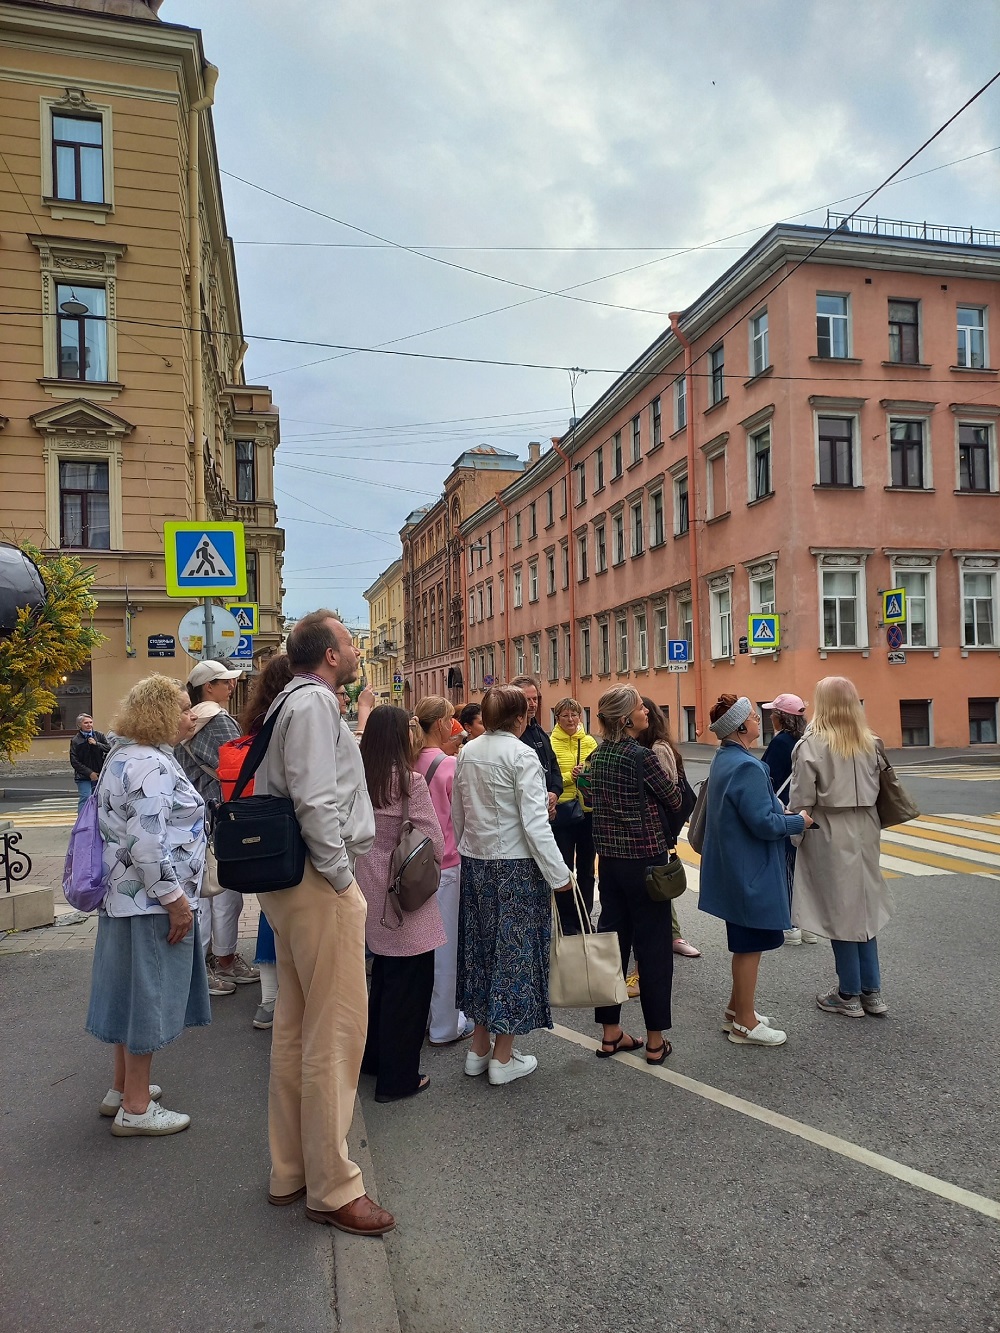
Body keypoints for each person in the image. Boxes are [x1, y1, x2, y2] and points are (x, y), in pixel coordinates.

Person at [254, 610, 393, 1236]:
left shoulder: (289, 700)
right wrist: (342, 879)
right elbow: (315, 798)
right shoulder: (313, 705)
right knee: (335, 1035)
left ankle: (292, 1170)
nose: (358, 647)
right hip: (317, 884)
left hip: (291, 884)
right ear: (331, 655)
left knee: (296, 1027)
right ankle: (333, 1187)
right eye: (349, 640)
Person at [85, 675, 210, 1136]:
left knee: (128, 994)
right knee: (150, 999)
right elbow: (147, 845)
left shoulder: (121, 755)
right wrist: (177, 903)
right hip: (152, 903)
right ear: (158, 714)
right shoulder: (152, 766)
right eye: (180, 708)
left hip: (123, 900)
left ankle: (121, 1090)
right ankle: (136, 1109)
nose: (190, 714)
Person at [452, 684, 571, 1086]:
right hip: (517, 868)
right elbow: (536, 825)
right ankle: (503, 1057)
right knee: (514, 959)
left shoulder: (466, 752)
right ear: (520, 718)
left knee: (483, 954)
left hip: (477, 864)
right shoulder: (523, 755)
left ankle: (479, 1048)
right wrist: (560, 876)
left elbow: (458, 815)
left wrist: (469, 849)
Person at [698, 695, 812, 1047]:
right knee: (749, 946)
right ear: (739, 726)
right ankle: (744, 1024)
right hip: (749, 869)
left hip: (735, 866)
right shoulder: (747, 766)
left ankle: (737, 1009)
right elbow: (763, 822)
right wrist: (798, 821)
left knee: (748, 942)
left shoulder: (726, 758)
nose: (757, 721)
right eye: (751, 716)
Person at [587, 687, 683, 1064]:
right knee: (654, 948)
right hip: (646, 862)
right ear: (626, 718)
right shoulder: (641, 756)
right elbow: (674, 799)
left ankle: (611, 1033)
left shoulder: (598, 755)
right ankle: (656, 1041)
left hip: (609, 863)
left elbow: (591, 798)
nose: (646, 711)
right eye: (641, 707)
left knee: (610, 944)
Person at [789, 677, 893, 1018]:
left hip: (829, 828)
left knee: (840, 910)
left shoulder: (812, 744)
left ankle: (848, 992)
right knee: (864, 906)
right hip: (867, 827)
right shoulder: (871, 741)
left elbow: (802, 799)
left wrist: (792, 836)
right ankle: (872, 991)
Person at [357, 707, 446, 1101]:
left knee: (383, 981)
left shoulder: (358, 779)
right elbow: (433, 843)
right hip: (403, 889)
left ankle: (373, 1059)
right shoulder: (409, 782)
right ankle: (399, 1078)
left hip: (367, 882)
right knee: (410, 988)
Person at [176, 659, 258, 994]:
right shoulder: (219, 719)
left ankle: (207, 961)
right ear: (208, 687)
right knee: (225, 892)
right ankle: (222, 960)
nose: (232, 686)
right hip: (222, 812)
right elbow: (238, 764)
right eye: (225, 681)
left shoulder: (188, 721)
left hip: (195, 816)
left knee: (203, 892)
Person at [232, 654, 296, 1031]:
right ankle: (281, 1000)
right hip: (283, 827)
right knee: (290, 914)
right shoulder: (292, 718)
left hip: (253, 825)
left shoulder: (256, 721)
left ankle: (269, 998)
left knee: (268, 912)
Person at [413, 695, 473, 1046]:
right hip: (446, 864)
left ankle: (423, 1016)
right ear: (440, 724)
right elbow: (462, 818)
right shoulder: (449, 766)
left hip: (410, 866)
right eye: (451, 718)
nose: (454, 724)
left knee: (418, 946)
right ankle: (445, 1026)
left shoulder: (406, 761)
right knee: (445, 948)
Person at [637, 697, 701, 959]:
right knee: (648, 882)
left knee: (659, 881)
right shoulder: (641, 746)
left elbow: (668, 794)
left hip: (657, 828)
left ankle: (673, 935)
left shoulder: (658, 748)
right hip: (647, 829)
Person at [760, 693, 816, 946]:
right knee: (803, 868)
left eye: (773, 713)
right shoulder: (808, 741)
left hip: (785, 812)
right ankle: (809, 926)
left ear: (780, 718)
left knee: (785, 868)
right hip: (806, 811)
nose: (770, 717)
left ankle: (791, 926)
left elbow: (766, 775)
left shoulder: (781, 742)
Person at [548, 697, 598, 936]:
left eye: (574, 715)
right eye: (565, 715)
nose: (570, 719)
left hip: (587, 811)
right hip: (563, 812)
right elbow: (551, 778)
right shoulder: (551, 743)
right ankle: (568, 920)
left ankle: (585, 915)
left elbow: (595, 771)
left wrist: (588, 775)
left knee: (587, 869)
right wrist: (571, 775)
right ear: (557, 718)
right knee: (564, 868)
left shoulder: (588, 742)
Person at [509, 674, 563, 818]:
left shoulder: (539, 731)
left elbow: (552, 764)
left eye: (535, 699)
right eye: (527, 700)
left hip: (546, 808)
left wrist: (555, 793)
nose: (533, 704)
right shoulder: (511, 736)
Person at [70, 713, 110, 810]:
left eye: (90, 722)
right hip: (84, 776)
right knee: (86, 798)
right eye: (86, 723)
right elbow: (74, 761)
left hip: (100, 775)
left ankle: (96, 822)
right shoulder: (76, 740)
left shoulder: (99, 736)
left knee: (99, 800)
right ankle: (82, 823)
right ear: (80, 725)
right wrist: (90, 773)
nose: (89, 725)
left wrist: (96, 744)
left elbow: (109, 748)